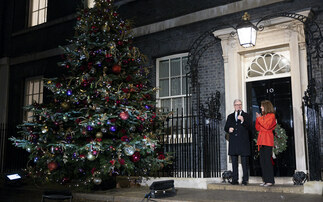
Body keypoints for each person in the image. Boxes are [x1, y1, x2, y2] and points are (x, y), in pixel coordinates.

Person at [224, 99, 251, 185]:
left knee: (244, 163)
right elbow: (225, 127)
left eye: (240, 104)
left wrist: (243, 121)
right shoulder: (230, 116)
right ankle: (235, 180)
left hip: (243, 142)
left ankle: (245, 180)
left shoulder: (246, 115)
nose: (238, 106)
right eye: (236, 105)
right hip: (234, 142)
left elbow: (250, 127)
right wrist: (229, 129)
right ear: (234, 106)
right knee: (234, 163)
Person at [255, 100, 277, 187]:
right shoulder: (263, 116)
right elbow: (258, 128)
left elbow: (267, 126)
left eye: (262, 106)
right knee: (262, 161)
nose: (260, 107)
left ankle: (270, 180)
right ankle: (265, 180)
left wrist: (259, 119)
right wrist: (258, 119)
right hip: (261, 141)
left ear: (266, 106)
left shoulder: (272, 116)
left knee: (267, 161)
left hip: (267, 141)